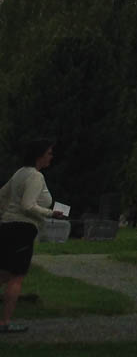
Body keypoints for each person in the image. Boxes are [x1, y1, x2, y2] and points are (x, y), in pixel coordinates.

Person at [0, 139, 67, 334]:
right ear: (39, 155)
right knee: (16, 276)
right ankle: (5, 322)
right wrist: (51, 213)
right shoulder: (36, 176)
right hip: (22, 230)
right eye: (49, 153)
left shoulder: (19, 173)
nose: (51, 157)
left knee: (4, 273)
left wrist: (4, 216)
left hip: (7, 227)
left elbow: (2, 195)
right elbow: (28, 205)